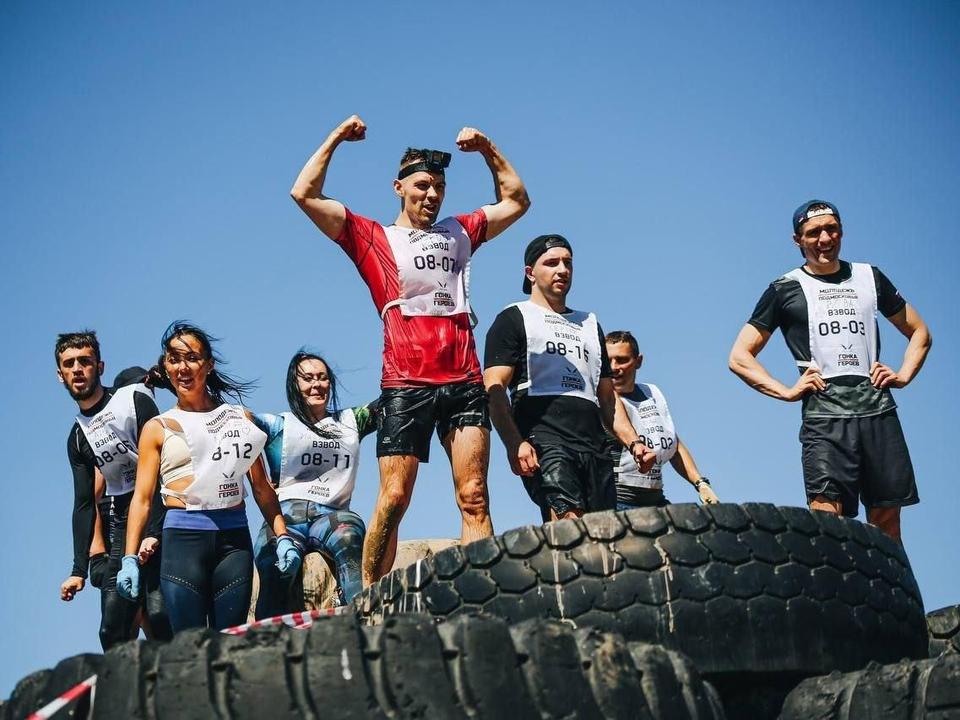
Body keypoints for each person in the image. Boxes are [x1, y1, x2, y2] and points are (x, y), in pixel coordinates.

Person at [291, 115, 530, 585]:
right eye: (422, 185)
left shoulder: (459, 232)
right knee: (395, 497)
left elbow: (517, 200)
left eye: (439, 187)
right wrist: (337, 137)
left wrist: (487, 149)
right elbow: (304, 193)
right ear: (398, 187)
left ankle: (481, 595)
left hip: (462, 380)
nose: (432, 195)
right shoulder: (371, 237)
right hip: (405, 381)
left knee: (475, 494)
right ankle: (371, 602)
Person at [729, 200, 932, 540]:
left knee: (886, 523)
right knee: (826, 522)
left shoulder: (870, 276)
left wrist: (904, 374)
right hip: (825, 416)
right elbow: (739, 356)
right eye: (814, 233)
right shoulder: (784, 288)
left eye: (832, 229)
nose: (825, 238)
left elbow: (920, 332)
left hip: (877, 410)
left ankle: (883, 594)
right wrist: (786, 391)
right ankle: (834, 594)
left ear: (841, 232)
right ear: (798, 240)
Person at [116, 322, 296, 632]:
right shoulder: (158, 427)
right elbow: (142, 499)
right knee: (193, 649)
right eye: (173, 359)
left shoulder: (239, 418)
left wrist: (283, 537)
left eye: (192, 358)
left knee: (229, 644)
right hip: (182, 542)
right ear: (165, 366)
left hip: (233, 542)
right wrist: (128, 558)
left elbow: (262, 488)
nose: (182, 368)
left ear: (209, 364)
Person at [483, 234, 656, 521]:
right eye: (551, 263)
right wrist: (514, 443)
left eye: (568, 263)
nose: (562, 269)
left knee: (601, 539)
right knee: (568, 527)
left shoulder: (589, 323)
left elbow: (607, 396)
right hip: (546, 439)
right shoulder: (514, 317)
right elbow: (494, 388)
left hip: (594, 445)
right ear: (531, 273)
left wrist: (635, 443)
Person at [55, 331, 172, 649]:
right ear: (60, 374)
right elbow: (83, 503)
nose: (77, 368)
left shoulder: (134, 401)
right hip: (123, 518)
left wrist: (156, 531)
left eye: (84, 361)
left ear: (100, 367)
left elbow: (167, 465)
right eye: (69, 364)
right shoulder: (78, 437)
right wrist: (79, 569)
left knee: (161, 619)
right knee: (111, 630)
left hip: (164, 510)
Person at [251, 351, 378, 617]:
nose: (316, 385)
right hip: (286, 514)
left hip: (333, 513)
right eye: (307, 379)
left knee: (350, 539)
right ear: (295, 386)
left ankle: (359, 621)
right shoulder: (278, 424)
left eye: (322, 378)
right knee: (274, 565)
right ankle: (267, 642)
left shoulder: (352, 420)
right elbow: (238, 420)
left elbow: (389, 402)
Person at [604, 330, 720, 509]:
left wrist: (700, 483)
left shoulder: (652, 394)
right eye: (608, 360)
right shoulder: (599, 402)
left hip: (656, 500)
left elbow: (674, 444)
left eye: (621, 360)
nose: (613, 367)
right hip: (617, 502)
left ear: (638, 361)